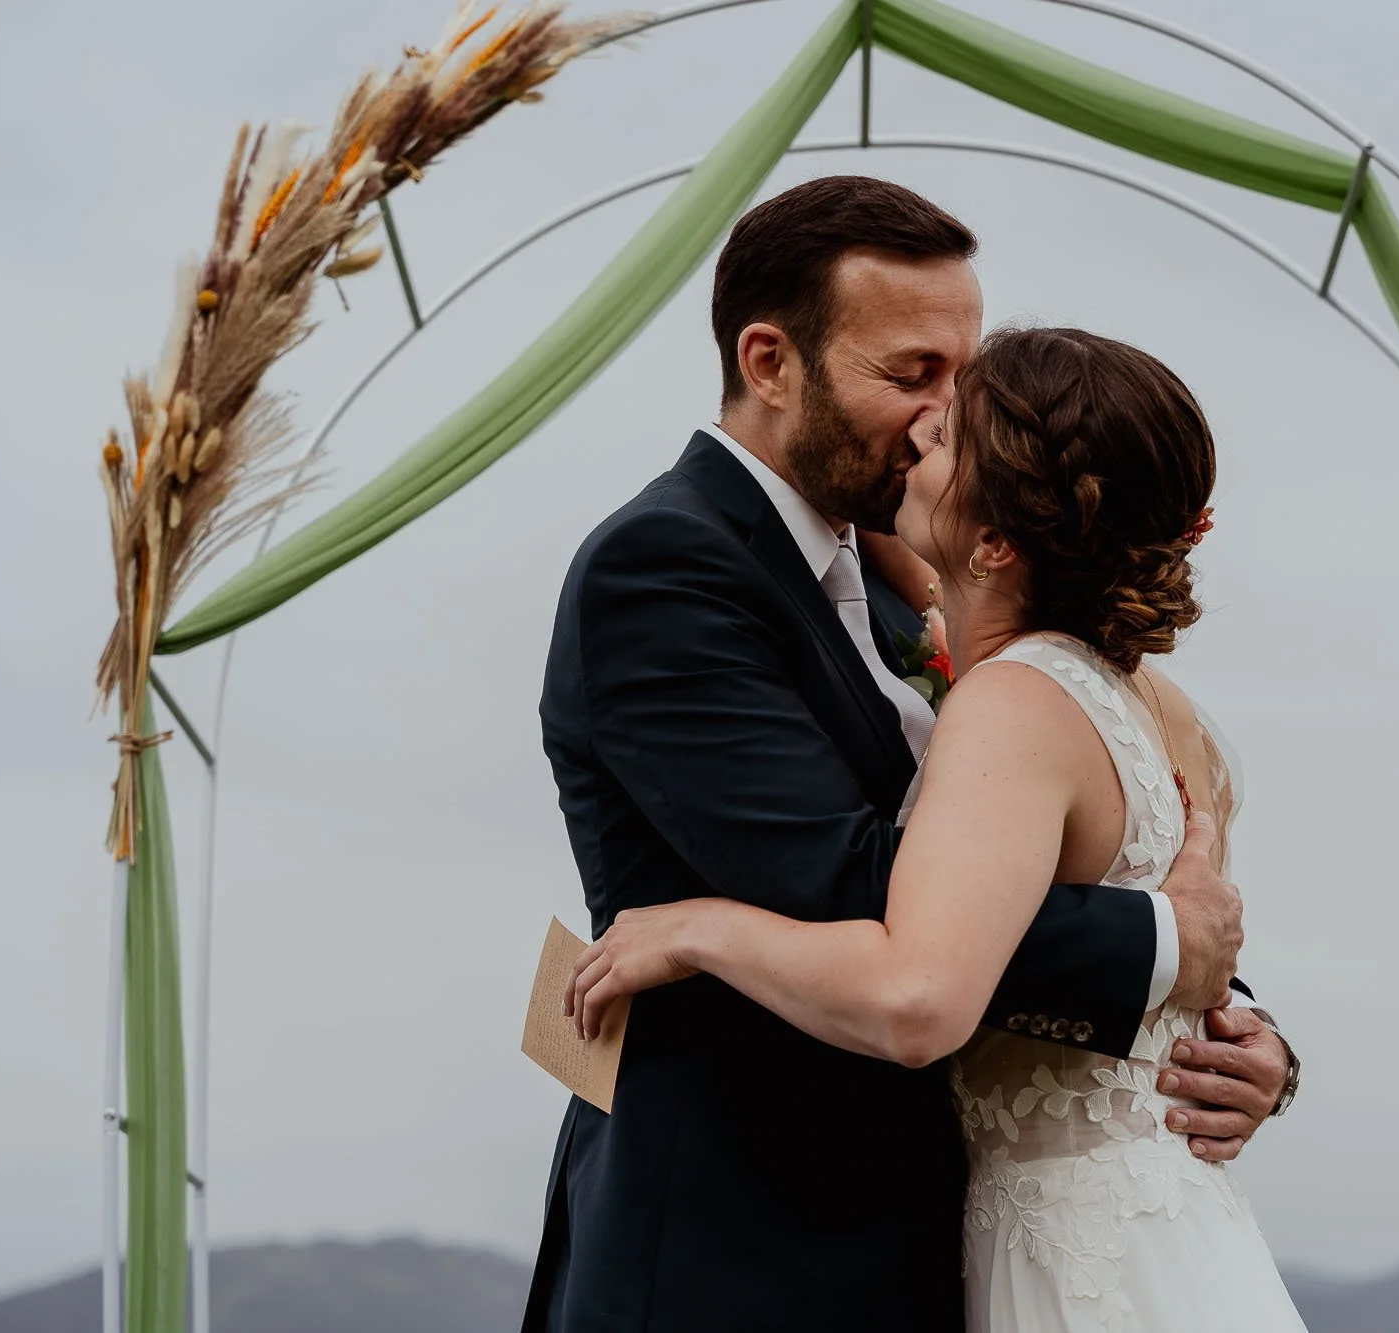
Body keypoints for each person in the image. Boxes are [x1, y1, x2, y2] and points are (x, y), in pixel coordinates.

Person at [524, 176, 1297, 1333]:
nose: (943, 414)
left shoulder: (918, 592)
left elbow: (1007, 857)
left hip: (934, 1244)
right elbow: (850, 882)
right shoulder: (666, 569)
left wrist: (1233, 1031)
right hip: (737, 1246)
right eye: (910, 375)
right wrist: (1158, 946)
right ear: (771, 362)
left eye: (960, 371)